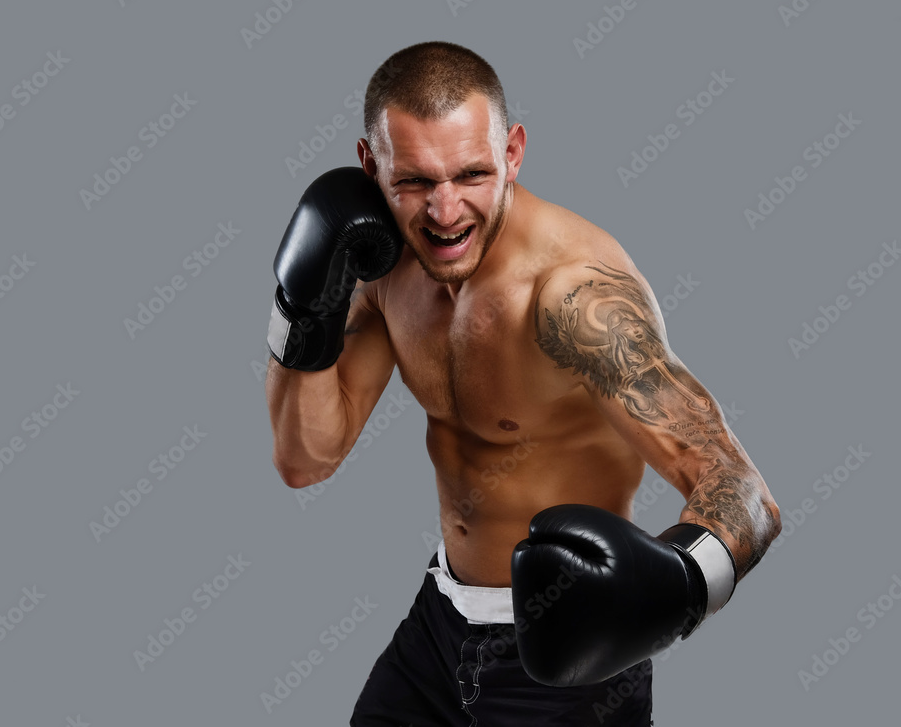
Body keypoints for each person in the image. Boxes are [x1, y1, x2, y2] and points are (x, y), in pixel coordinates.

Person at [264, 41, 781, 726]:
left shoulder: (571, 296)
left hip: (566, 660)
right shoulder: (384, 262)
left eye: (471, 174)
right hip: (439, 622)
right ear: (370, 165)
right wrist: (300, 312)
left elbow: (744, 490)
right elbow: (306, 458)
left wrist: (683, 582)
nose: (444, 212)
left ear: (512, 152)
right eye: (415, 181)